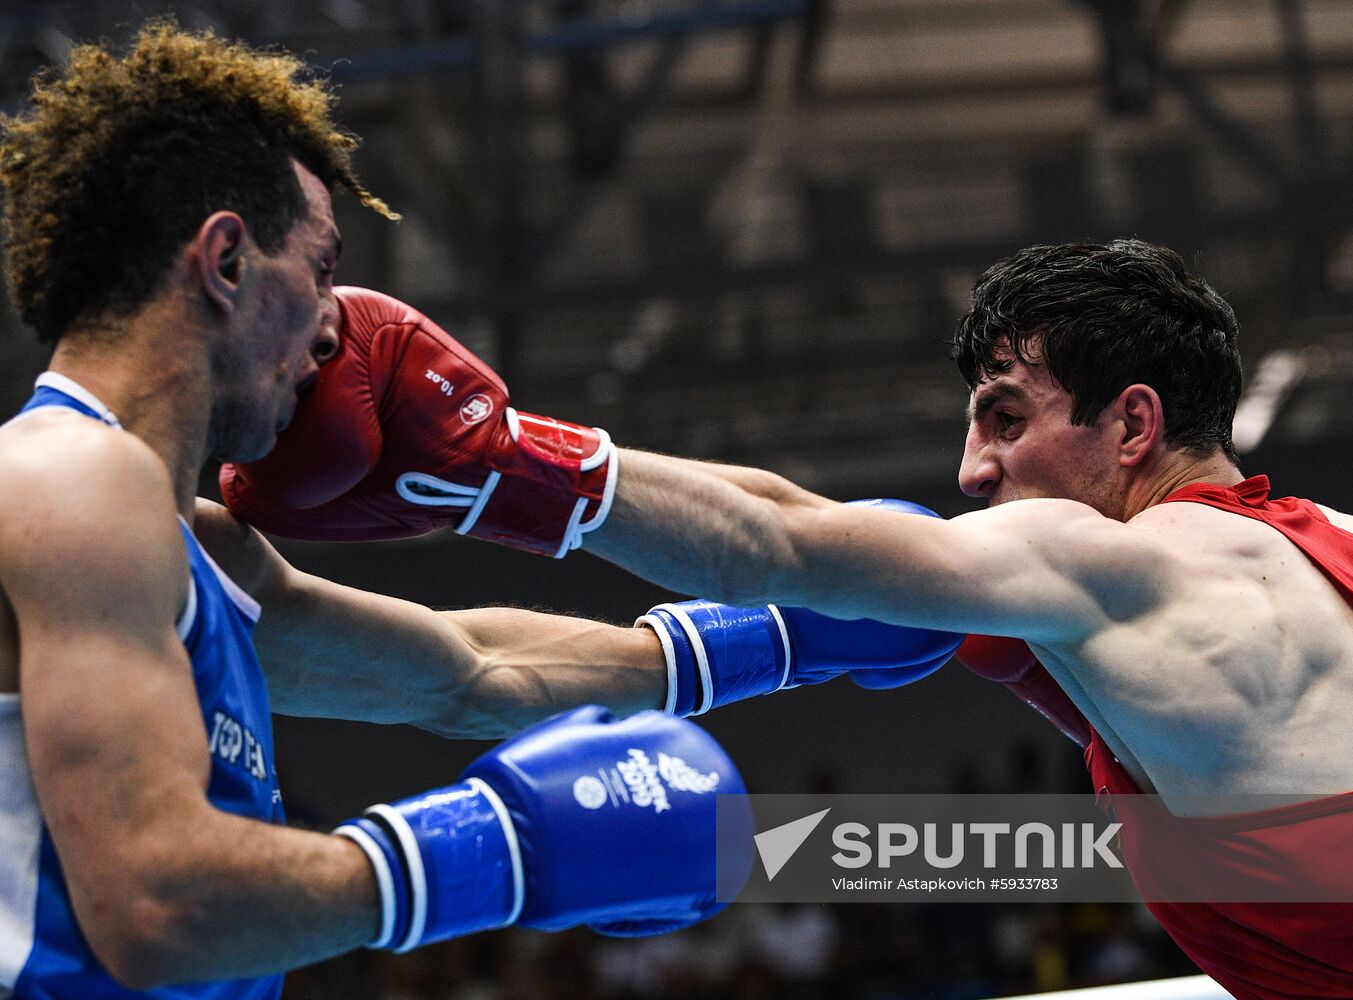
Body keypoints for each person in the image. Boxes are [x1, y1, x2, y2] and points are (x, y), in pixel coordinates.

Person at [233, 240, 1353, 999]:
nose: (970, 472)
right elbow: (552, 662)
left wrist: (504, 461)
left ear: (1133, 426)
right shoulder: (1328, 549)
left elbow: (778, 539)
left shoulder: (1111, 567)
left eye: (1005, 418)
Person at [0, 20, 850, 999]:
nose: (338, 323)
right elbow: (160, 904)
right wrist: (497, 852)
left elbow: (472, 672)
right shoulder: (72, 479)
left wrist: (784, 634)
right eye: (321, 270)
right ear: (226, 260)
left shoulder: (200, 550)